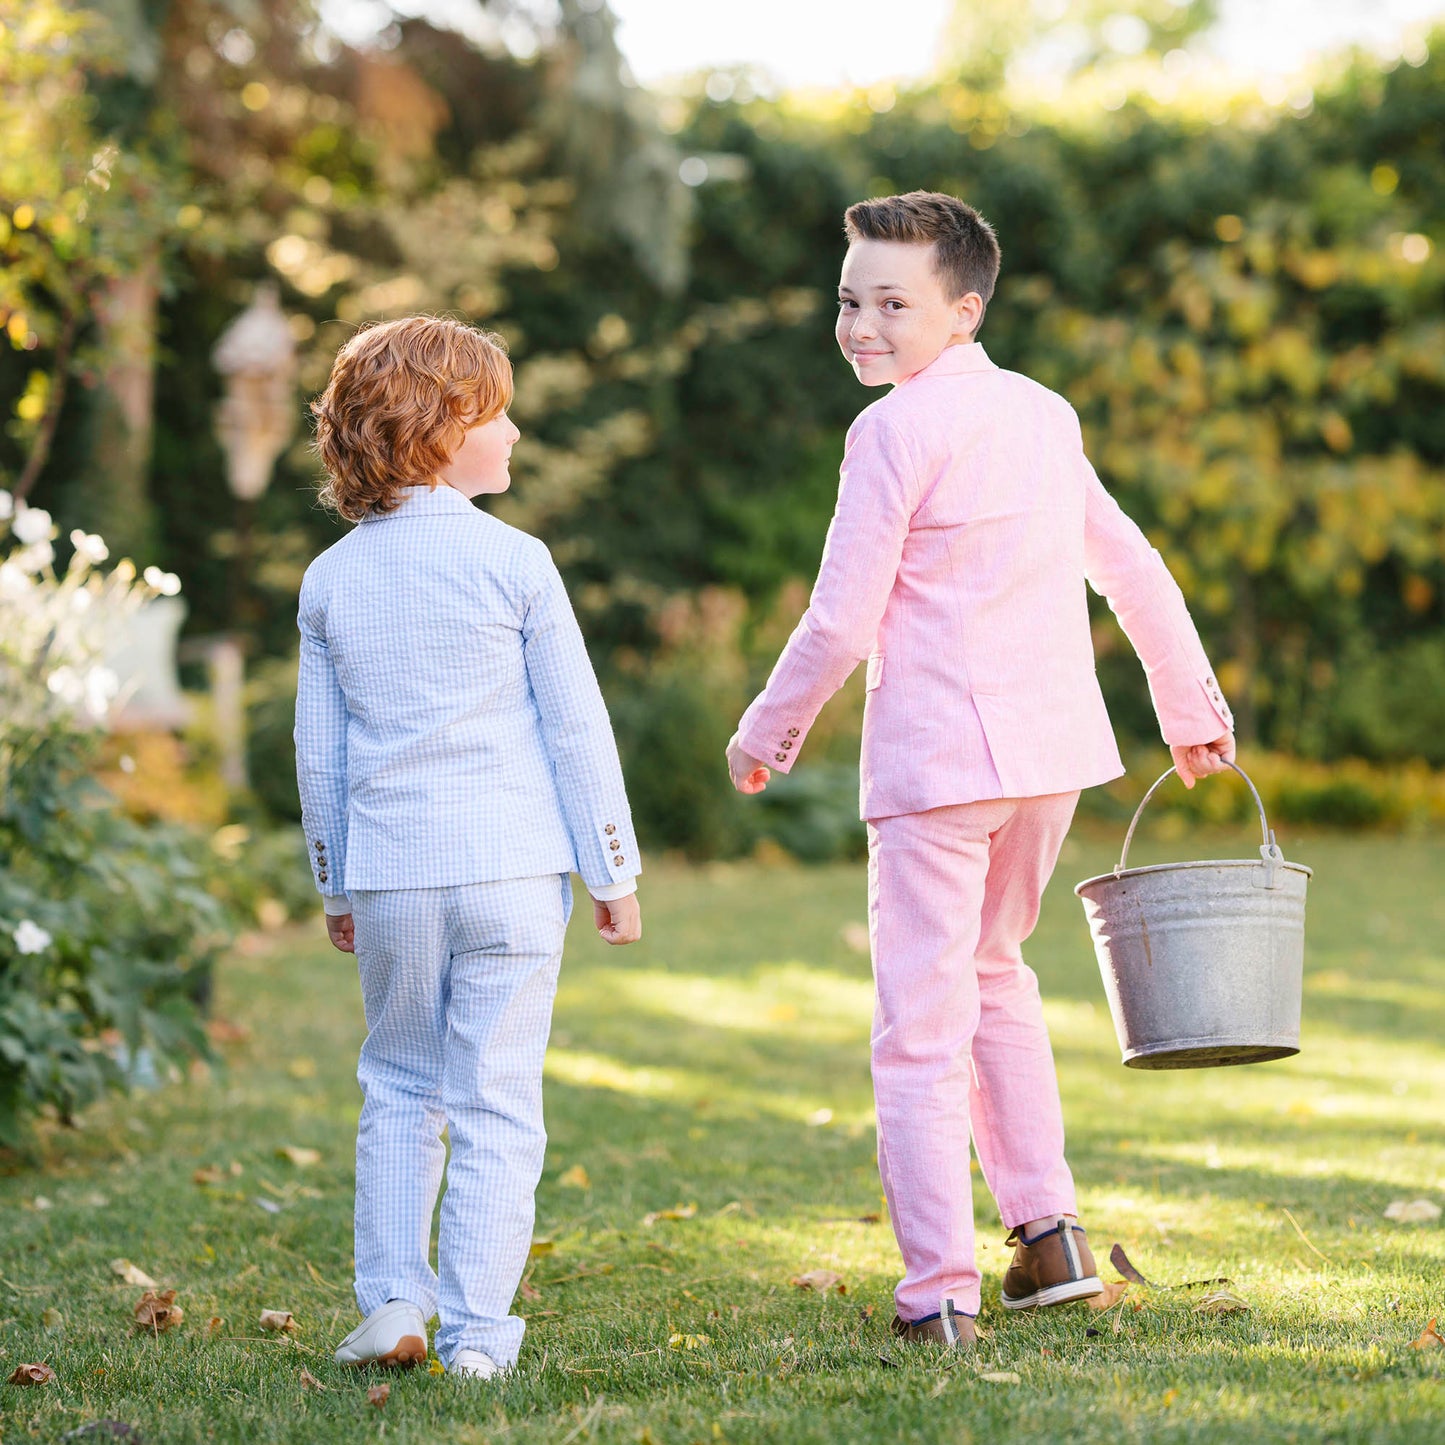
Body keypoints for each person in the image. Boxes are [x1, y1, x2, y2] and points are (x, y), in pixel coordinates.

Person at [726, 191, 1234, 1350]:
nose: (859, 322)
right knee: (994, 971)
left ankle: (937, 1294)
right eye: (849, 297)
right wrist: (1185, 703)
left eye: (890, 302)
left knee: (917, 1025)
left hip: (938, 766)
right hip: (1046, 760)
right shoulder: (1039, 412)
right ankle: (1046, 1241)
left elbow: (841, 617)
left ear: (963, 308)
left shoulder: (892, 431)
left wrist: (765, 732)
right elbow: (1130, 562)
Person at [295, 315, 642, 1379]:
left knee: (400, 1082)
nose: (518, 430)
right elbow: (574, 725)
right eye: (498, 413)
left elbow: (320, 754)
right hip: (511, 871)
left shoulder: (331, 578)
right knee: (497, 1095)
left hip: (394, 872)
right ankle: (481, 1338)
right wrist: (611, 867)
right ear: (440, 426)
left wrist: (333, 881)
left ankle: (397, 1295)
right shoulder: (517, 562)